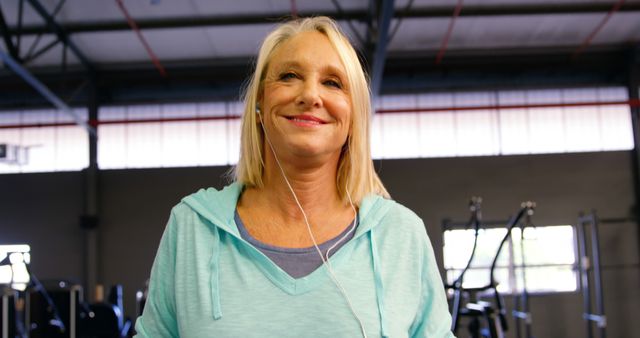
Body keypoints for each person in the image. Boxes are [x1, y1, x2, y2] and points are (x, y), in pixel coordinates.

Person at [135, 16, 454, 338]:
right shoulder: (193, 227)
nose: (310, 96)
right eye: (289, 76)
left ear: (353, 114)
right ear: (259, 102)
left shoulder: (400, 234)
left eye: (333, 82)